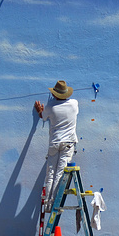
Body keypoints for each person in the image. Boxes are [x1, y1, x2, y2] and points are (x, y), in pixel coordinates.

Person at [34, 80, 79, 212]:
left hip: (54, 143)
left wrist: (40, 110)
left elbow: (43, 116)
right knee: (60, 173)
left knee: (51, 174)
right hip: (68, 144)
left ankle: (48, 204)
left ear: (54, 94)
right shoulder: (74, 104)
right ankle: (55, 204)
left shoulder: (50, 107)